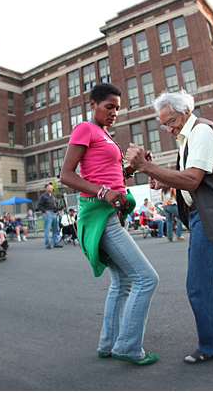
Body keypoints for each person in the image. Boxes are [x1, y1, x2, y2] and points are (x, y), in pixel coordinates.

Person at [126, 89, 213, 364]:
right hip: (209, 218)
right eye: (163, 123)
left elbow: (193, 180)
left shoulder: (201, 132)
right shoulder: (188, 136)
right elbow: (190, 179)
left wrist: (146, 167)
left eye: (170, 120)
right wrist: (165, 180)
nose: (168, 128)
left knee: (202, 286)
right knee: (211, 285)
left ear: (186, 112)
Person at [60, 82, 159, 366]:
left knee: (123, 280)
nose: (114, 112)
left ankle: (108, 342)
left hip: (112, 213)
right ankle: (128, 347)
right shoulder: (84, 129)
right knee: (146, 278)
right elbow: (66, 175)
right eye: (109, 106)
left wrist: (133, 168)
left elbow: (111, 176)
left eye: (117, 107)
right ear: (92, 104)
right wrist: (104, 192)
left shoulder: (104, 134)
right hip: (100, 215)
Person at [37, 183, 63, 249]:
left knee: (56, 229)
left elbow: (57, 204)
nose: (50, 188)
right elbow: (39, 205)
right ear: (46, 188)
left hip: (55, 213)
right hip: (48, 213)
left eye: (51, 187)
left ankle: (56, 243)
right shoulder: (43, 196)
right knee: (47, 229)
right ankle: (47, 244)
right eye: (49, 187)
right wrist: (45, 211)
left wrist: (58, 211)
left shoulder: (53, 196)